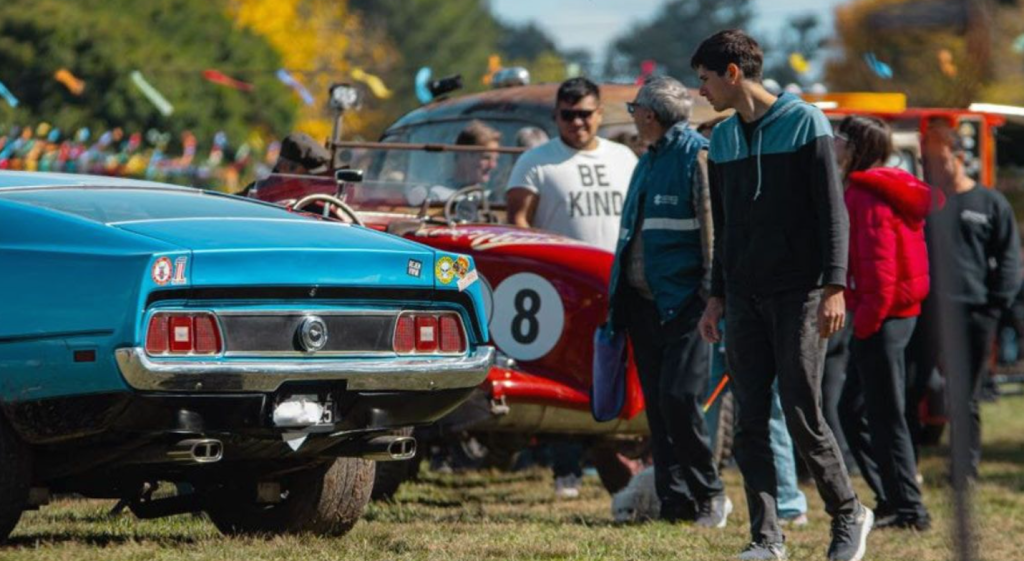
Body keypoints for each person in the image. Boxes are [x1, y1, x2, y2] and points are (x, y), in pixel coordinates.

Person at [691, 29, 871, 561]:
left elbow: (831, 213)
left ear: (732, 73)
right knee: (749, 420)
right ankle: (766, 539)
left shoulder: (805, 122)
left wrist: (835, 285)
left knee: (800, 410)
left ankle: (848, 513)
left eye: (704, 79)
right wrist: (716, 296)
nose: (700, 91)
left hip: (802, 292)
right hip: (744, 296)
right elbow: (723, 230)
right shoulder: (720, 140)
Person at [607, 76, 730, 527]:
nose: (633, 115)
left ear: (649, 115)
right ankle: (674, 503)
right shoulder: (649, 159)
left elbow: (713, 234)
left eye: (635, 108)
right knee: (658, 410)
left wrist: (713, 298)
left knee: (679, 399)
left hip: (687, 307)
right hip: (644, 306)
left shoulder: (695, 156)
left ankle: (710, 493)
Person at [699, 116, 808, 528]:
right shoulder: (722, 179)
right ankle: (713, 492)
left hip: (756, 306)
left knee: (769, 409)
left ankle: (788, 501)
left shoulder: (758, 182)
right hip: (729, 304)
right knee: (732, 410)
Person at [835, 115, 934, 530]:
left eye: (840, 138)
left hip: (883, 317)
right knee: (859, 409)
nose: (834, 144)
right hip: (893, 315)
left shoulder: (866, 194)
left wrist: (864, 323)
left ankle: (908, 508)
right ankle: (894, 499)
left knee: (883, 414)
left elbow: (880, 270)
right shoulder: (879, 188)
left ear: (857, 146)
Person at [916, 118, 1021, 479]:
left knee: (966, 393)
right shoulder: (925, 203)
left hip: (975, 310)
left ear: (960, 157)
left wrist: (997, 303)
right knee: (916, 384)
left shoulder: (989, 202)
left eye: (941, 160)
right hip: (927, 309)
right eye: (928, 162)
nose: (935, 168)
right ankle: (909, 460)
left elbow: (1009, 256)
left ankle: (964, 468)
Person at [506, 77, 638, 252]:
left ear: (599, 113)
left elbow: (640, 216)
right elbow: (518, 222)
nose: (577, 122)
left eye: (585, 114)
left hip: (616, 272)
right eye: (568, 115)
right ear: (556, 115)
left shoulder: (624, 157)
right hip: (561, 274)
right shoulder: (533, 161)